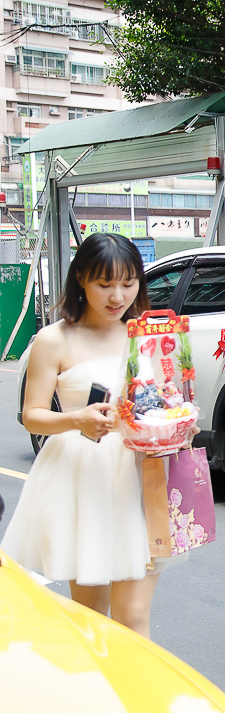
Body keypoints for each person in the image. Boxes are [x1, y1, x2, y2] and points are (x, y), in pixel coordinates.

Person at [1, 233, 172, 638]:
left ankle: (140, 700)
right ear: (81, 279)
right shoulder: (54, 339)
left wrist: (174, 423)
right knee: (92, 621)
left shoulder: (147, 335)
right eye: (105, 284)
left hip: (141, 475)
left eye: (128, 284)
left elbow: (162, 399)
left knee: (132, 619)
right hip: (85, 477)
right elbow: (32, 416)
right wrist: (77, 419)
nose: (118, 296)